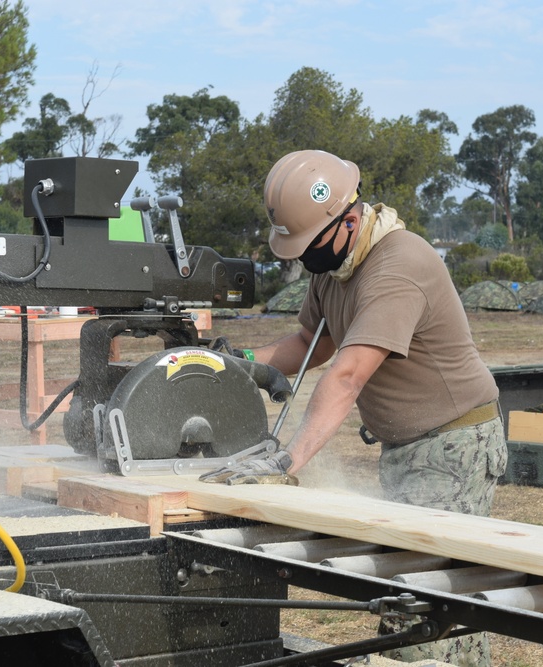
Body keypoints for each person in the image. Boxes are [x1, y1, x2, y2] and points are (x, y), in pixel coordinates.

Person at [200, 149, 507, 666]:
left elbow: (346, 375)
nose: (304, 259)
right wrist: (241, 364)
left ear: (346, 217)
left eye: (310, 245)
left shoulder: (398, 265)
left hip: (454, 444)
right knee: (437, 593)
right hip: (408, 444)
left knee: (424, 599)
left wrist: (285, 462)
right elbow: (312, 341)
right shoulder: (337, 263)